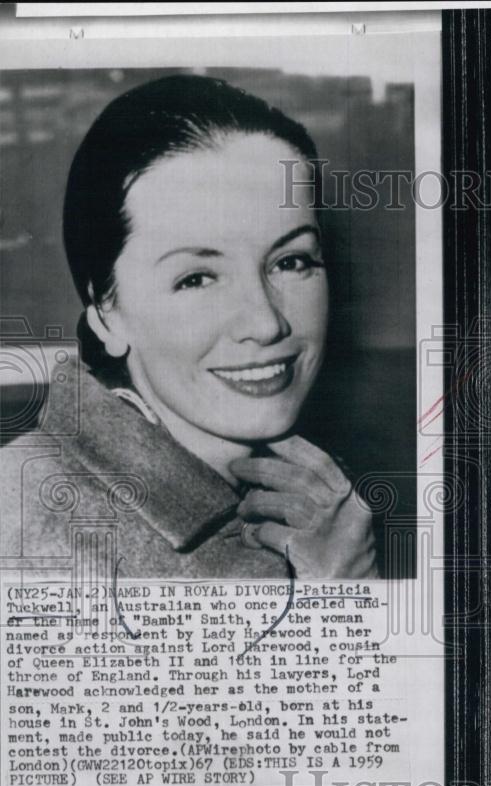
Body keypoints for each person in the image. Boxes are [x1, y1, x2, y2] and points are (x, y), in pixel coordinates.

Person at [1, 74, 378, 580]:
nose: (266, 323)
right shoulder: (30, 530)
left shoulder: (329, 510)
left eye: (291, 262)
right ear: (106, 313)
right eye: (197, 278)